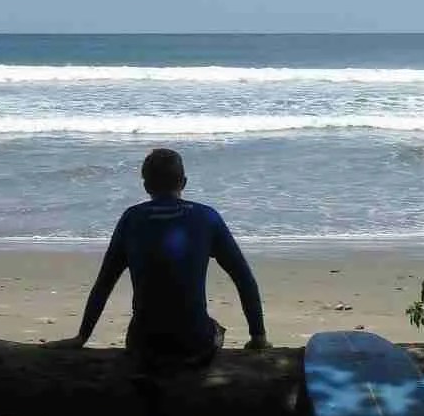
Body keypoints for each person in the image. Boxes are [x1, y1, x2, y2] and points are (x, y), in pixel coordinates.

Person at [47, 148, 270, 367]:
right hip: (195, 345)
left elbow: (104, 283)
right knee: (215, 329)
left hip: (143, 347)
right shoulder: (206, 217)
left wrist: (82, 336)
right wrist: (258, 335)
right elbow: (244, 278)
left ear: (146, 186)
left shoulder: (131, 219)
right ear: (184, 182)